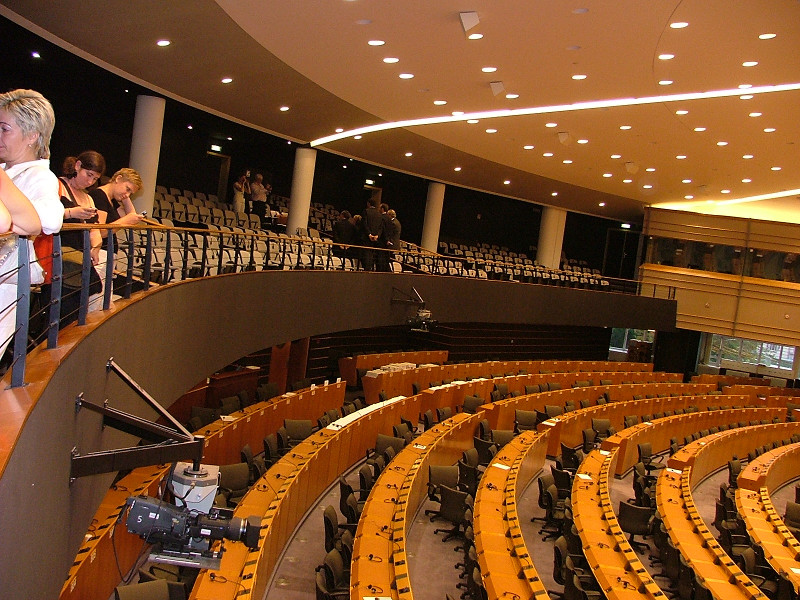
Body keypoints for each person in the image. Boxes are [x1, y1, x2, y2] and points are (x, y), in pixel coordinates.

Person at [0, 88, 62, 359]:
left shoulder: (40, 176)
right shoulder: (7, 171)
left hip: (8, 282)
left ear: (32, 135)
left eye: (5, 129)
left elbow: (49, 220)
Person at [60, 151, 105, 312]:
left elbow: (94, 229)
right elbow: (45, 216)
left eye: (94, 178)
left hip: (79, 258)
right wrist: (72, 213)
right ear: (78, 166)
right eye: (89, 175)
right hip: (58, 256)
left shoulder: (88, 198)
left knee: (77, 309)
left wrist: (96, 247)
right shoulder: (57, 186)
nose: (90, 181)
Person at [360, 198, 383, 271]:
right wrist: (377, 235)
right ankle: (370, 268)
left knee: (366, 253)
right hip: (375, 238)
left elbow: (364, 224)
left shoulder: (366, 211)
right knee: (371, 254)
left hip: (367, 237)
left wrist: (369, 234)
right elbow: (381, 226)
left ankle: (366, 269)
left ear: (368, 204)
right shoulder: (379, 214)